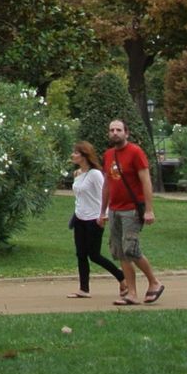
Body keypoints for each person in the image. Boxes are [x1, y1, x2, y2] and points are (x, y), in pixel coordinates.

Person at [103, 119, 163, 305]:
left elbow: (146, 180)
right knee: (120, 252)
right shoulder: (108, 155)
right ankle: (132, 293)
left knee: (131, 249)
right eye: (112, 130)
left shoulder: (135, 152)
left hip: (132, 209)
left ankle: (154, 282)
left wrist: (149, 209)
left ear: (126, 133)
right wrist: (102, 211)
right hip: (114, 209)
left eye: (118, 130)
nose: (115, 133)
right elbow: (107, 184)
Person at [67, 141, 123, 299]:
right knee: (81, 254)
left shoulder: (96, 174)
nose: (73, 155)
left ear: (85, 156)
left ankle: (122, 277)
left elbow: (105, 194)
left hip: (94, 219)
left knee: (94, 255)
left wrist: (103, 215)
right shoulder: (78, 174)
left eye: (77, 153)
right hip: (80, 218)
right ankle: (83, 289)